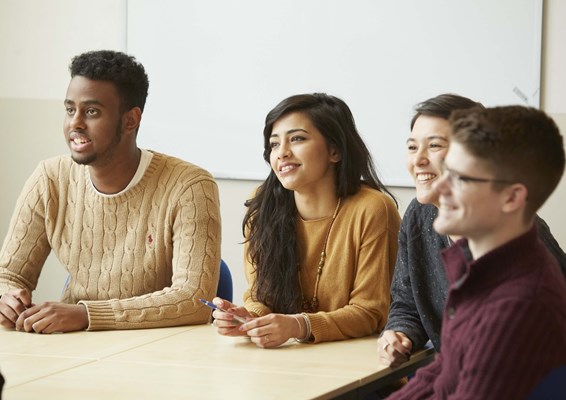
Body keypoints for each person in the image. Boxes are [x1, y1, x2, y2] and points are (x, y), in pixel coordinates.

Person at [0, 50, 221, 333]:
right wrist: (8, 297)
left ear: (130, 120)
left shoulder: (190, 186)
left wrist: (88, 315)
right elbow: (9, 273)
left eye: (91, 112)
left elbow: (194, 300)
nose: (75, 123)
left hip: (160, 351)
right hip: (71, 345)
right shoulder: (49, 178)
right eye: (70, 110)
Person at [388, 105, 566, 399]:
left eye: (459, 178)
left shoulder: (517, 306)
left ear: (511, 198)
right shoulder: (483, 272)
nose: (440, 185)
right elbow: (442, 373)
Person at [212, 93, 400, 348]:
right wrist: (250, 318)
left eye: (297, 139)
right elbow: (259, 296)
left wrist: (300, 325)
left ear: (335, 150)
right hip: (283, 360)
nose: (282, 153)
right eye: (274, 144)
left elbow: (372, 312)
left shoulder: (373, 208)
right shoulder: (262, 206)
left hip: (355, 367)